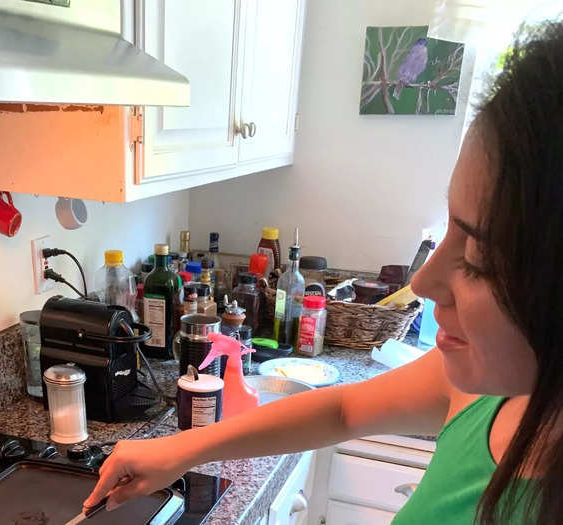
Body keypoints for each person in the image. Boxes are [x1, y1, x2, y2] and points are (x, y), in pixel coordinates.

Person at [84, 22, 563, 525]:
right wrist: (182, 450)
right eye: (449, 231)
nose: (422, 283)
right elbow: (343, 410)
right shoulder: (485, 390)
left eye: (479, 260)